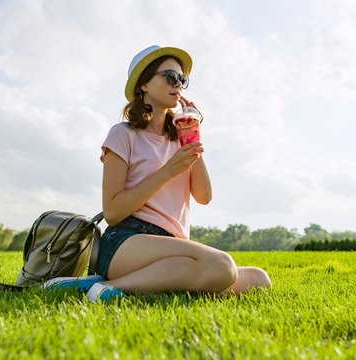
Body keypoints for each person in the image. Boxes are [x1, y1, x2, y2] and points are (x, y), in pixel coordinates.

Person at [42, 45, 271, 303]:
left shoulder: (180, 138)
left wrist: (192, 135)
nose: (179, 85)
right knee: (222, 266)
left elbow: (204, 196)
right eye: (171, 77)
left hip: (174, 246)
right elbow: (113, 212)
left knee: (258, 279)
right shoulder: (122, 134)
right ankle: (112, 287)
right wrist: (169, 170)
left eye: (182, 80)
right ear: (144, 85)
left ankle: (104, 283)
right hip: (128, 241)